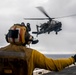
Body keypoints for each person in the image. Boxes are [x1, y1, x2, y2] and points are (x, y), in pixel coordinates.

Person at [0, 23, 76, 75]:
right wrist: (73, 59)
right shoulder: (32, 54)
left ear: (8, 37)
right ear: (25, 37)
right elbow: (55, 65)